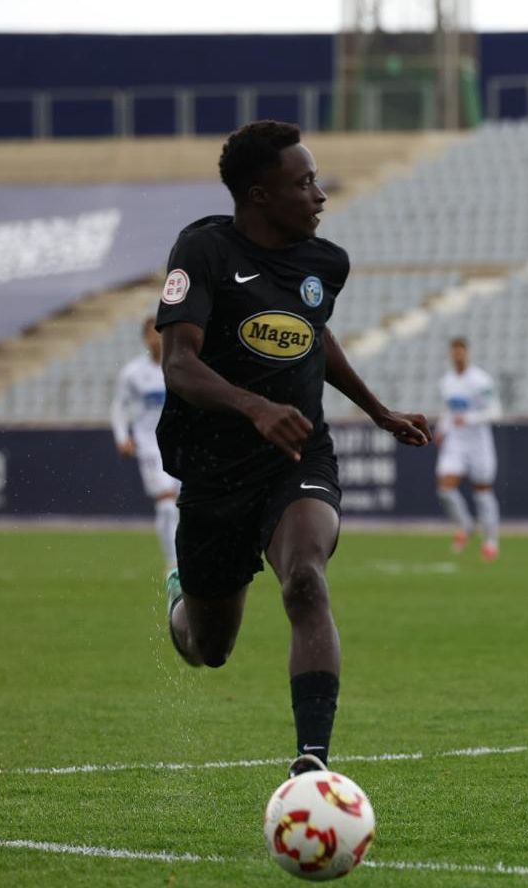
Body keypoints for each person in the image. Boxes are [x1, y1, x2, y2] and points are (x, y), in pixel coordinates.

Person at [155, 120, 431, 779]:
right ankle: (180, 602)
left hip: (297, 456)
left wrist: (379, 410)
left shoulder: (324, 264)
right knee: (207, 647)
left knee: (305, 580)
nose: (319, 194)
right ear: (259, 196)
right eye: (303, 183)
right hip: (215, 472)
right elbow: (179, 364)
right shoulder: (203, 251)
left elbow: (314, 335)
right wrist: (253, 406)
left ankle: (313, 764)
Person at [111, 315, 180, 574]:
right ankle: (173, 562)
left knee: (185, 505)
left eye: (159, 333)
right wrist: (122, 437)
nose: (156, 339)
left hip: (181, 444)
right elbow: (118, 406)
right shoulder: (133, 373)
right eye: (151, 334)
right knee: (166, 503)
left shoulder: (181, 366)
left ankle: (188, 558)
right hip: (149, 445)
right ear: (144, 339)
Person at [436, 336, 502, 562]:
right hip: (456, 442)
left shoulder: (480, 380)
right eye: (454, 351)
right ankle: (465, 525)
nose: (457, 355)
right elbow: (448, 410)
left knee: (483, 491)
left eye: (461, 351)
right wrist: (442, 430)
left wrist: (470, 419)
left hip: (478, 443)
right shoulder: (447, 381)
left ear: (467, 352)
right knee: (445, 489)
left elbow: (495, 412)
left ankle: (491, 540)